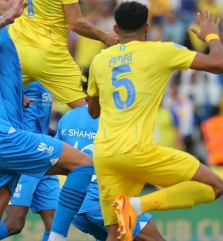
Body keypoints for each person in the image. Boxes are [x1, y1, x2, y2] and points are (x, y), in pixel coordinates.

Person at [0, 0, 94, 241]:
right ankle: (57, 237)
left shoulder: (3, 38)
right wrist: (9, 16)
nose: (13, 2)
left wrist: (17, 97)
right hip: (4, 136)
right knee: (83, 164)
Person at [86, 3, 223, 241]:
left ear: (115, 29)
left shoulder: (99, 61)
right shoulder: (160, 51)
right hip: (137, 150)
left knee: (117, 234)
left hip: (105, 154)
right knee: (215, 186)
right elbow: (218, 63)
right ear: (147, 28)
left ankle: (132, 208)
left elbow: (93, 111)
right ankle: (138, 205)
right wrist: (211, 36)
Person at [63, 67, 164, 241]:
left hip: (77, 207)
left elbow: (59, 158)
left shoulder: (67, 118)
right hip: (107, 201)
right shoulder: (114, 119)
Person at [0, 82, 59, 240]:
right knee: (14, 224)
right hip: (25, 155)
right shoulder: (19, 74)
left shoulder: (47, 76)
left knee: (56, 225)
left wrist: (57, 133)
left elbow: (39, 123)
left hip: (45, 154)